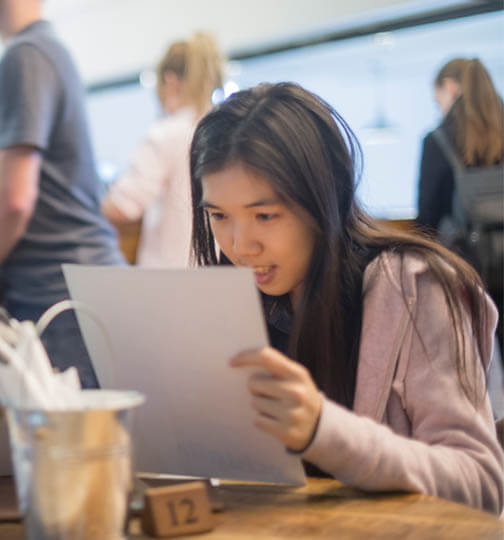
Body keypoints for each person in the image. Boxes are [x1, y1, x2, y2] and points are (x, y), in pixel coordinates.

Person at [189, 82, 504, 513]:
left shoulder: (416, 288)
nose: (241, 245)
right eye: (219, 216)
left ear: (324, 197)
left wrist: (322, 429)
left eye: (265, 215)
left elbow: (481, 481)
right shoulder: (236, 299)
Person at [0, 0, 124, 388]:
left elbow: (14, 197)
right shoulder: (32, 53)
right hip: (61, 289)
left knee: (74, 442)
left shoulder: (27, 56)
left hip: (60, 293)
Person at [102, 32, 224, 267]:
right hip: (215, 271)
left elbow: (123, 206)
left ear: (169, 81)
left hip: (171, 275)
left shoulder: (167, 135)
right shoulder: (224, 129)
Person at [416, 57, 503, 338]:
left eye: (437, 100)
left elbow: (428, 216)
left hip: (467, 271)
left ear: (451, 88)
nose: (439, 108)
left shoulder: (439, 139)